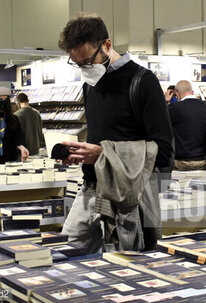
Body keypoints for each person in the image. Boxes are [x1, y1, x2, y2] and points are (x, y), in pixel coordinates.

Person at [57, 14, 174, 253]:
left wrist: (104, 154)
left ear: (107, 45)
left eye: (88, 62)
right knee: (63, 255)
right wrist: (82, 153)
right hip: (91, 187)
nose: (84, 70)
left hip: (131, 194)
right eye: (77, 64)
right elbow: (104, 136)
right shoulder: (91, 86)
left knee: (127, 266)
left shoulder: (143, 82)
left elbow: (164, 152)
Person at [169, 80, 206, 170]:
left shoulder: (173, 108)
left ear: (177, 93)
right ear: (192, 92)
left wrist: (165, 101)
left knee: (179, 184)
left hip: (179, 162)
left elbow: (161, 128)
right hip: (203, 161)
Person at [14, 92, 45, 157]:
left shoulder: (16, 115)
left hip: (23, 152)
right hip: (36, 149)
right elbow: (40, 132)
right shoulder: (37, 113)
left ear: (18, 103)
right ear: (28, 101)